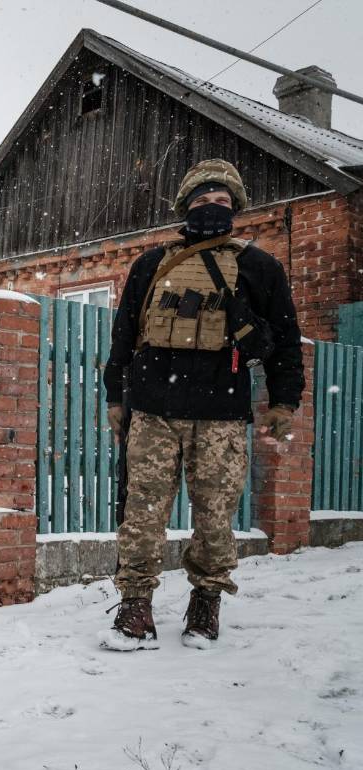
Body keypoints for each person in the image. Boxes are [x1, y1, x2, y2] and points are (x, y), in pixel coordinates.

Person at [102, 158, 305, 651]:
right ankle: (135, 604)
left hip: (221, 412)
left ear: (235, 207)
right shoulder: (151, 263)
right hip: (153, 408)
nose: (212, 207)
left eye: (221, 201)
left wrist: (284, 402)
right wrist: (115, 395)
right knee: (142, 511)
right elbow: (124, 335)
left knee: (215, 515)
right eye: (202, 200)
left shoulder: (260, 267)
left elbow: (286, 341)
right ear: (185, 206)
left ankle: (206, 601)